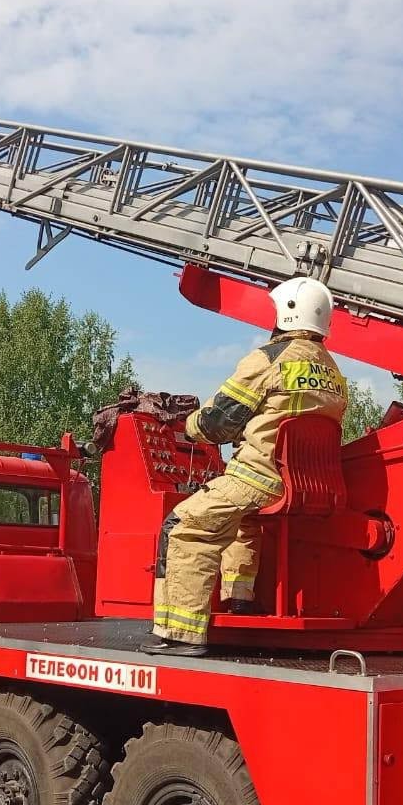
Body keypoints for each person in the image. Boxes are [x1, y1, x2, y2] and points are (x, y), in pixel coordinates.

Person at [142, 277, 348, 657]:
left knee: (185, 526)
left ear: (286, 314)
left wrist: (186, 425)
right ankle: (240, 599)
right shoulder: (333, 373)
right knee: (243, 522)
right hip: (303, 483)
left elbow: (217, 423)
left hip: (259, 476)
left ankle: (180, 632)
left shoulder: (267, 360)